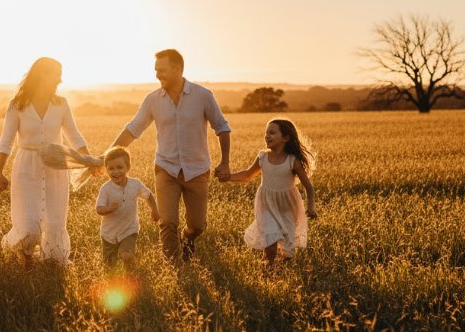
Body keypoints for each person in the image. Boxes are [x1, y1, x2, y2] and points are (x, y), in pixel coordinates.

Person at [111, 49, 231, 263]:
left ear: (178, 69)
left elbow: (222, 127)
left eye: (162, 70)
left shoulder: (202, 95)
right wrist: (107, 155)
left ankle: (188, 238)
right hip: (165, 169)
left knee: (197, 224)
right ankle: (173, 267)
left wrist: (225, 162)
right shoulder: (153, 100)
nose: (158, 75)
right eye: (156, 70)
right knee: (167, 222)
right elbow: (133, 129)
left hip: (196, 170)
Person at [0, 57, 91, 266]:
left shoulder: (61, 104)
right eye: (56, 74)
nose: (60, 80)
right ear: (41, 75)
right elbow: (6, 142)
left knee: (55, 222)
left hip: (55, 166)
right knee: (29, 225)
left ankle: (52, 260)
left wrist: (88, 158)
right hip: (26, 167)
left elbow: (74, 136)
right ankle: (24, 254)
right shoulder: (17, 106)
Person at [227, 118, 317, 268]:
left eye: (272, 133)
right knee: (270, 244)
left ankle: (279, 270)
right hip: (266, 205)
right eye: (266, 132)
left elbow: (309, 187)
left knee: (287, 251)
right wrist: (228, 177)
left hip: (287, 207)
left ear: (286, 138)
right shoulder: (263, 157)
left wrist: (311, 207)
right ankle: (266, 272)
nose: (267, 136)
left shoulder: (292, 161)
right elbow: (248, 175)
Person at [95, 147, 159, 272]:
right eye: (111, 168)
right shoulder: (106, 189)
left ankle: (131, 274)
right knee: (109, 266)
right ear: (106, 169)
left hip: (129, 230)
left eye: (120, 167)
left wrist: (154, 209)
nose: (116, 172)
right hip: (109, 233)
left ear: (128, 167)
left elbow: (148, 195)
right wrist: (109, 209)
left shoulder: (135, 184)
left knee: (127, 255)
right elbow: (99, 209)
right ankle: (112, 282)